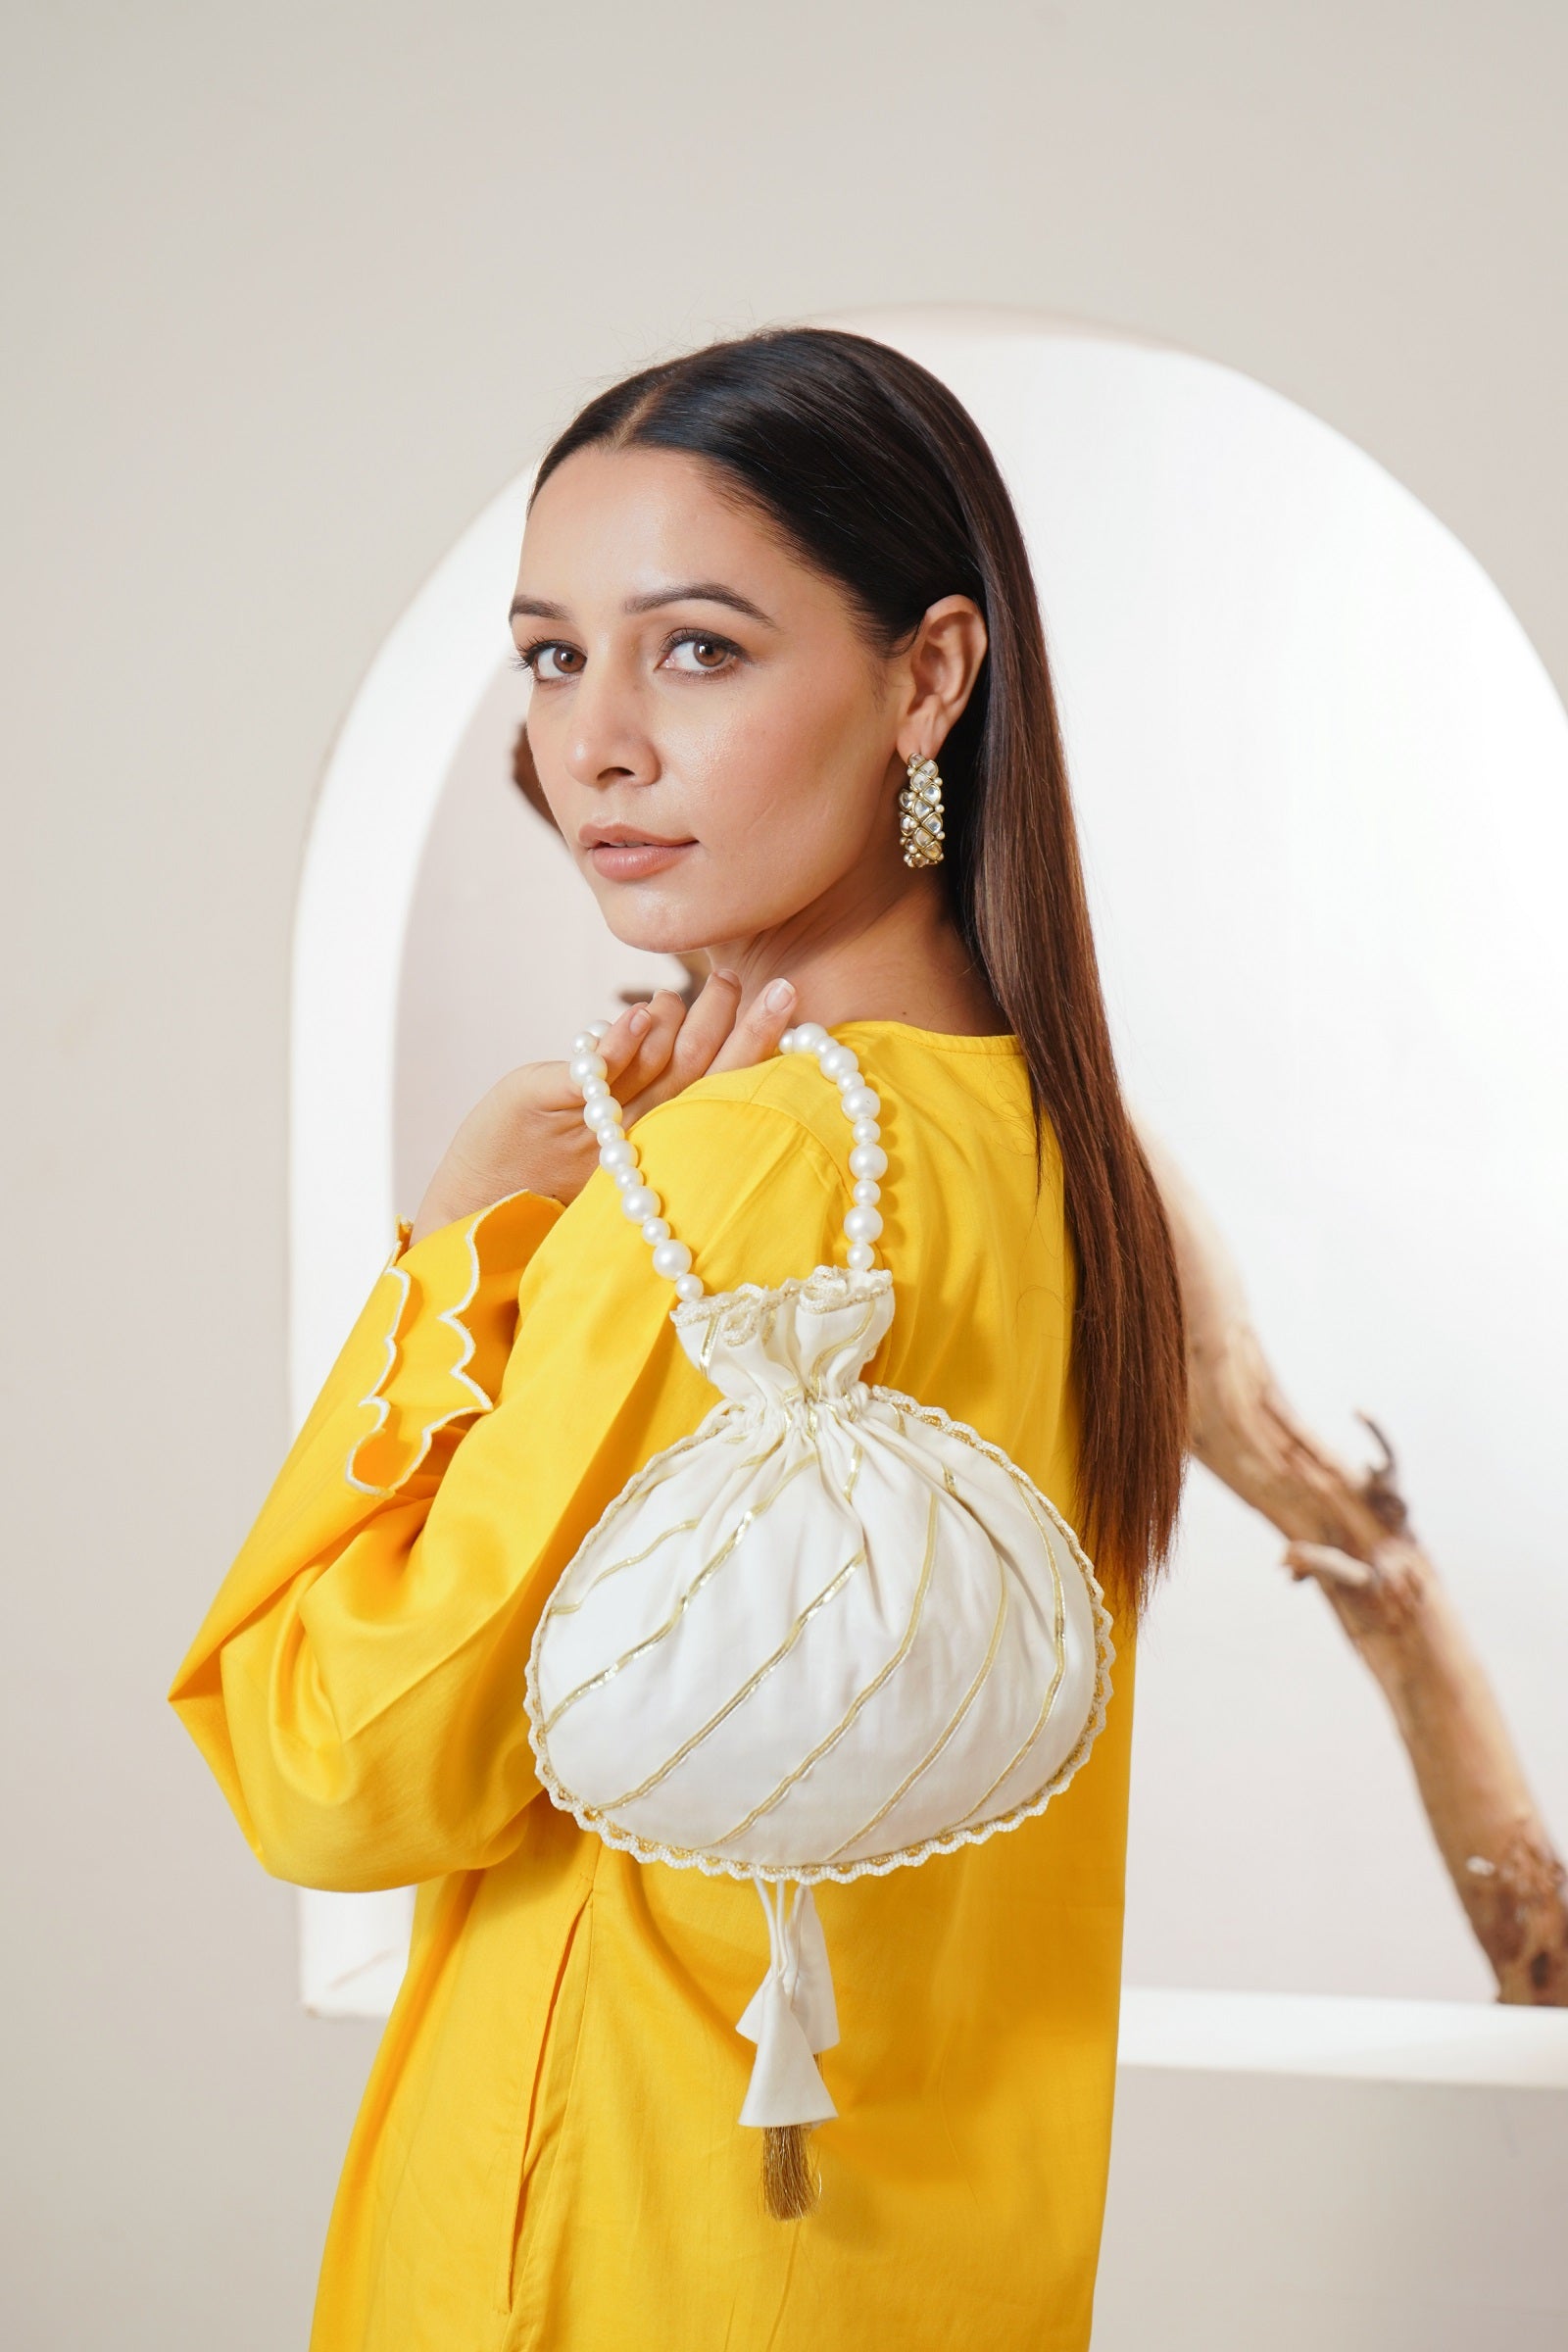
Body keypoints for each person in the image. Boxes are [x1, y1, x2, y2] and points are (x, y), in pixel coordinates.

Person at [171, 326, 1187, 2352]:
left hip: (623, 2243)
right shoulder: (1052, 1151)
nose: (596, 745)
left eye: (696, 649)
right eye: (552, 658)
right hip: (922, 2266)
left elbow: (333, 1769)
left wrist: (456, 1256)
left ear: (929, 676)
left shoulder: (735, 1174)